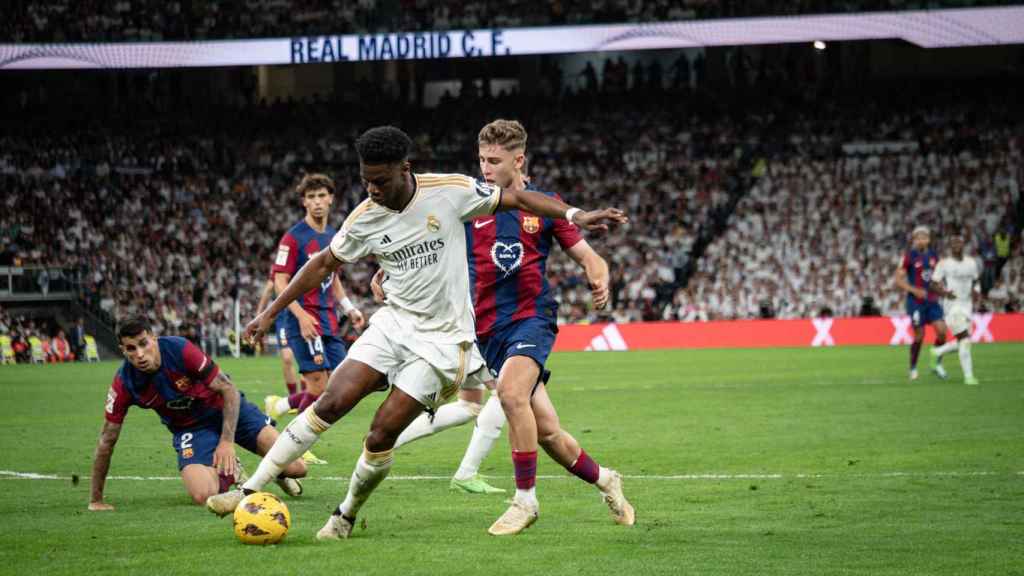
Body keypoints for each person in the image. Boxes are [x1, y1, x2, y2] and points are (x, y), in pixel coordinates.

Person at [205, 125, 626, 540]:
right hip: (409, 325)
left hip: (465, 336)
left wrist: (578, 221)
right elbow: (333, 263)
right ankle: (249, 489)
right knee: (334, 400)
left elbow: (526, 207)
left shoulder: (455, 192)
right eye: (365, 180)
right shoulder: (371, 215)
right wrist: (270, 313)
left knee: (407, 424)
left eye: (380, 181)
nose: (372, 189)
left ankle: (355, 514)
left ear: (405, 169)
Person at [374, 119, 635, 536]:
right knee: (548, 433)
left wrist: (598, 273)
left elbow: (588, 254)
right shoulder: (469, 205)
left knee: (512, 395)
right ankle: (606, 479)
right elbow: (425, 246)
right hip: (485, 331)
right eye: (481, 159)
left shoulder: (544, 205)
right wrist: (389, 273)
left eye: (494, 161)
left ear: (519, 160)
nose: (486, 168)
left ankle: (525, 500)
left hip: (531, 319)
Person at [88, 316, 307, 510]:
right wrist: (96, 499)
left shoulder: (179, 349)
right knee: (203, 495)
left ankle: (275, 472)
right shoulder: (125, 383)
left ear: (154, 338)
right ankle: (231, 472)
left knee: (297, 468)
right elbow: (107, 441)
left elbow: (228, 388)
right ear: (122, 350)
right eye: (131, 349)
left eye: (143, 344)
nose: (140, 354)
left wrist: (226, 442)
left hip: (226, 409)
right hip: (191, 428)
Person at [262, 173, 366, 421]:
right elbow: (279, 282)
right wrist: (301, 317)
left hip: (328, 320)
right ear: (304, 202)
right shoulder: (293, 238)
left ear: (331, 199)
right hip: (304, 322)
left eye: (322, 195)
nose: (317, 201)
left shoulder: (333, 237)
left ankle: (281, 406)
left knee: (339, 386)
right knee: (318, 388)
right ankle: (293, 445)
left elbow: (334, 279)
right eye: (311, 197)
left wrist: (349, 308)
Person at [893, 226, 950, 380]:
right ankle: (912, 367)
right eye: (918, 237)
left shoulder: (934, 256)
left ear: (929, 239)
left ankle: (936, 363)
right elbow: (898, 279)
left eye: (924, 237)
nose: (921, 240)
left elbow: (938, 278)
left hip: (932, 301)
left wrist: (943, 291)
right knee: (920, 336)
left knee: (942, 332)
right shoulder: (908, 256)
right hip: (916, 302)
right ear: (914, 239)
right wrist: (913, 290)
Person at [930, 234, 982, 385]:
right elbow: (933, 284)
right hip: (952, 306)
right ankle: (969, 377)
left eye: (959, 242)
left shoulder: (971, 263)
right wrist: (945, 293)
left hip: (967, 305)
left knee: (964, 340)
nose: (956, 245)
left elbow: (976, 281)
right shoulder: (944, 264)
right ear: (950, 246)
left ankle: (937, 352)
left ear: (963, 244)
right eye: (953, 243)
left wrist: (977, 291)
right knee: (965, 340)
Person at [255, 278, 301, 397]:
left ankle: (307, 397)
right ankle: (293, 397)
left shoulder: (304, 262)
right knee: (287, 358)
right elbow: (268, 290)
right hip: (284, 318)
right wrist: (260, 314)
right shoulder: (280, 267)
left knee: (306, 357)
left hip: (304, 313)